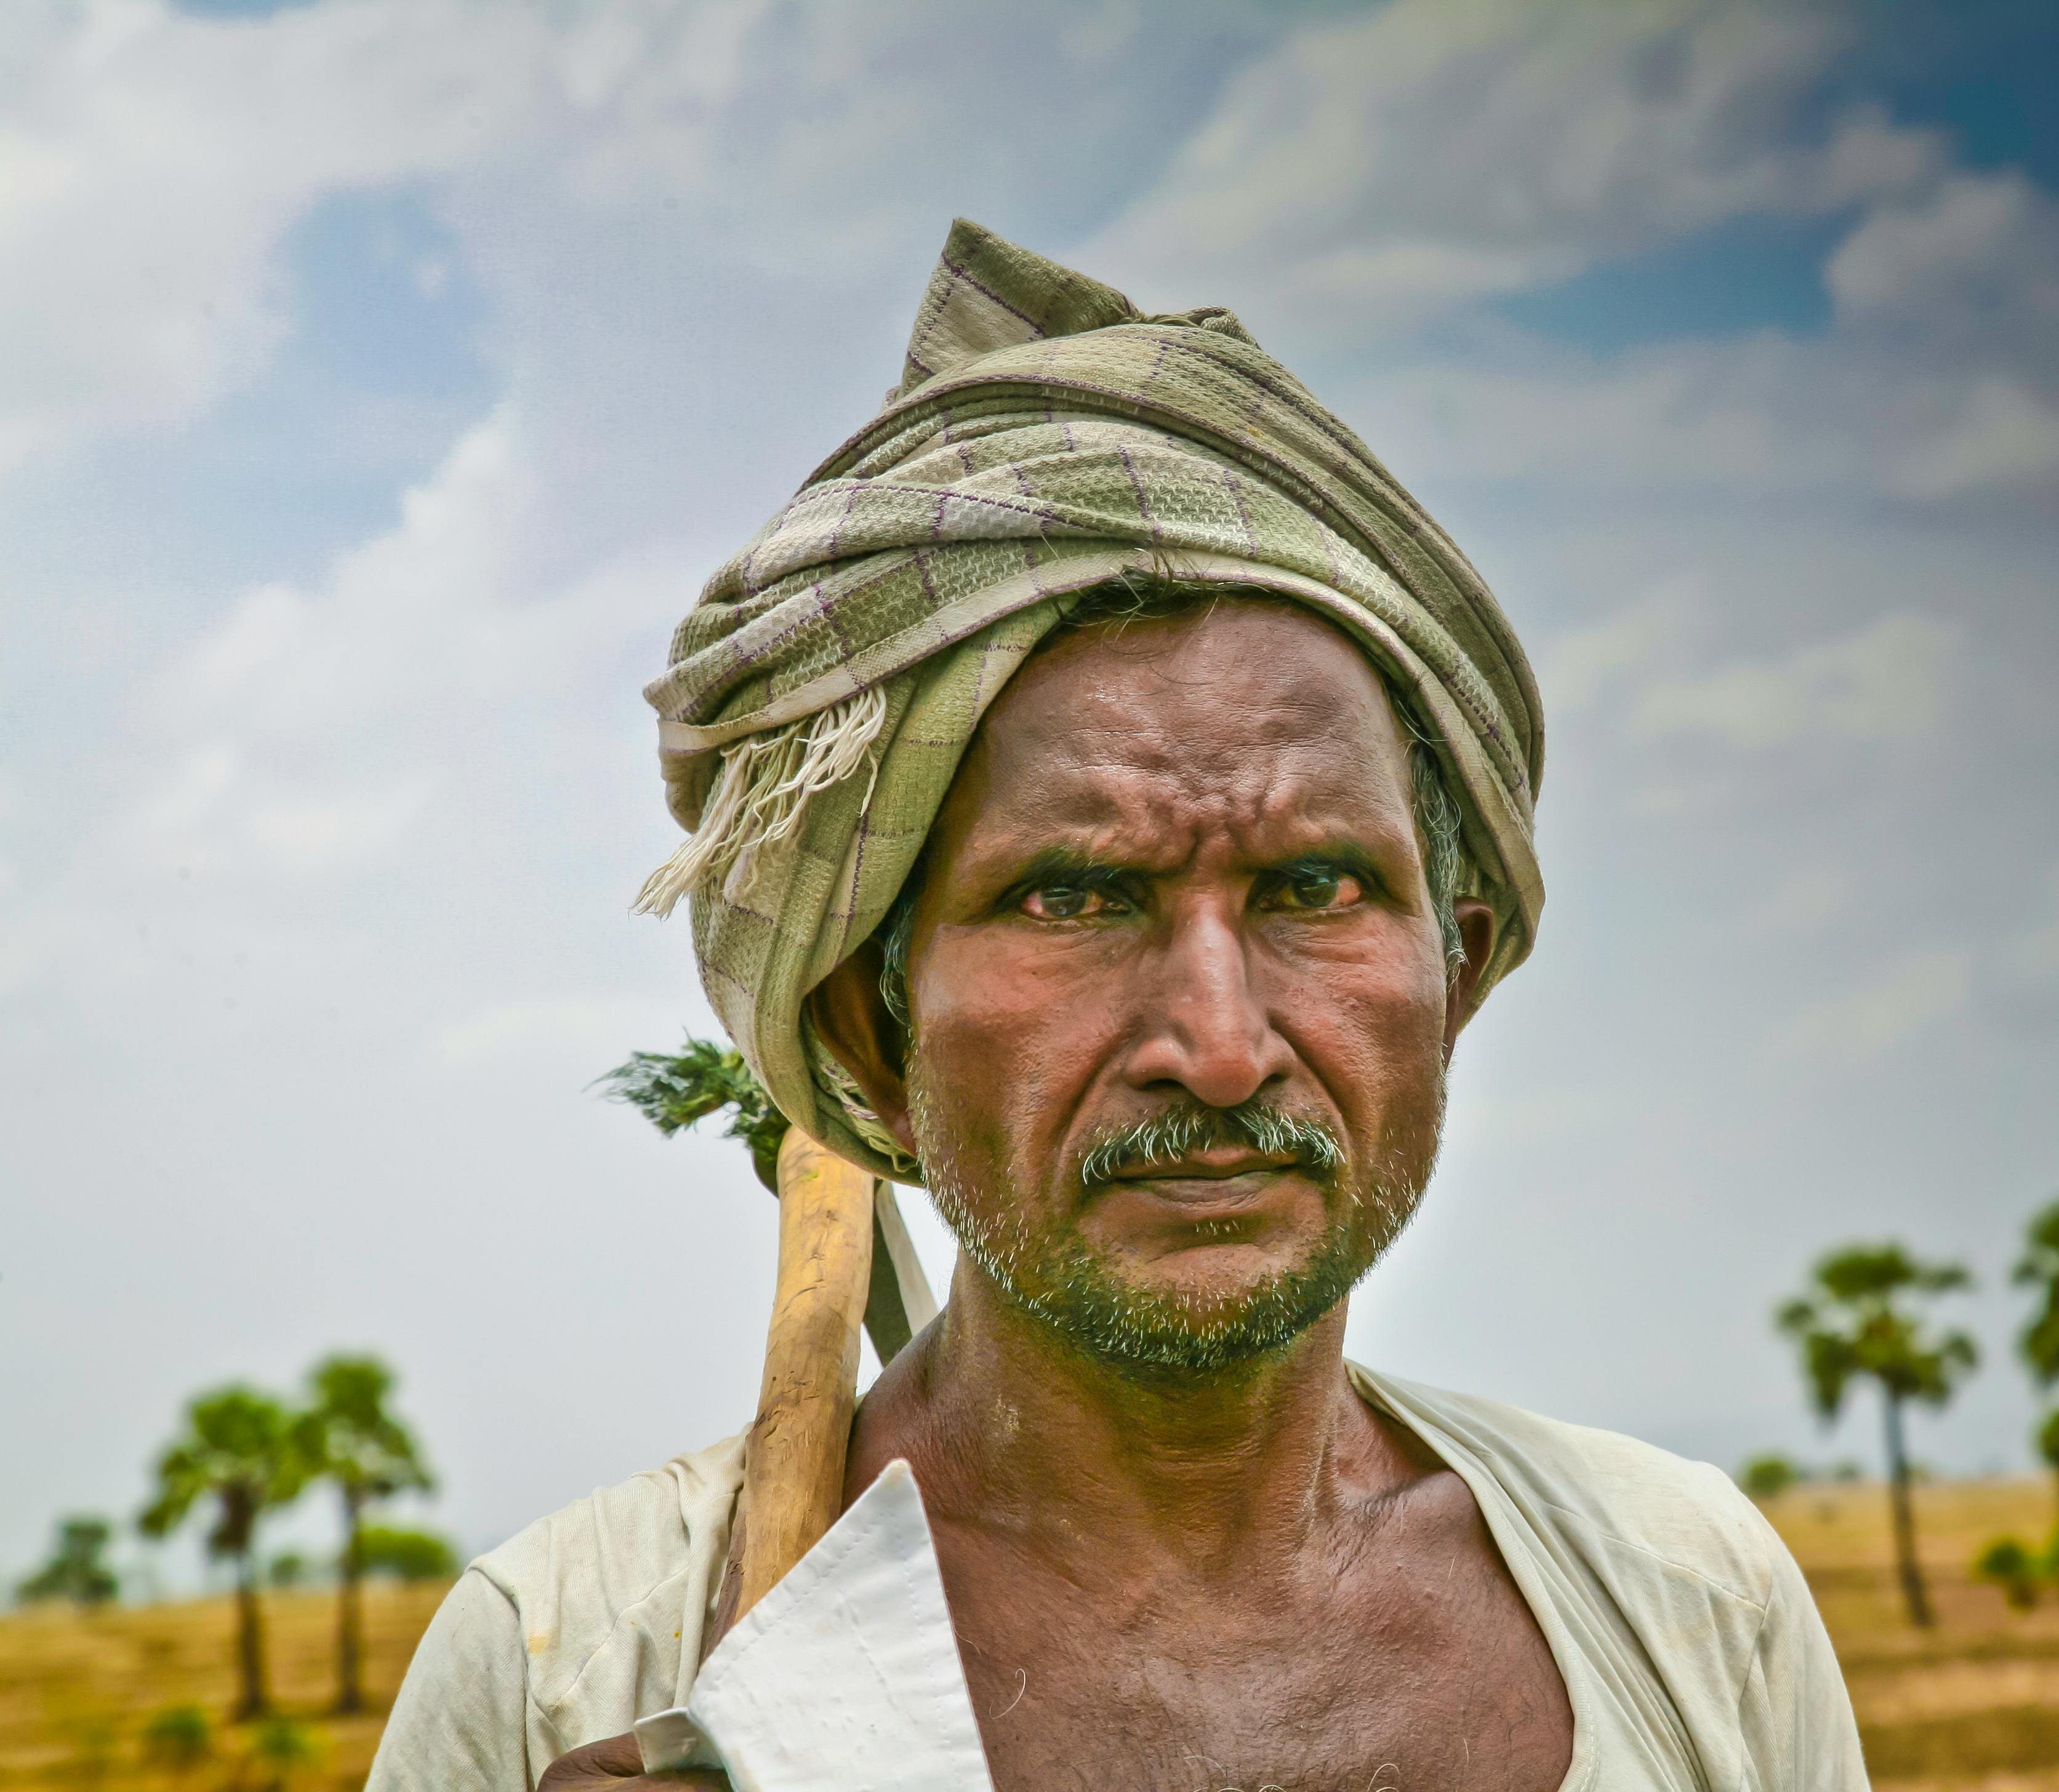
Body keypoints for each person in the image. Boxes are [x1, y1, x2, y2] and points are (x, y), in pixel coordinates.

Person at [370, 221, 1869, 1792]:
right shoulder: (567, 1662)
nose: (1220, 1047)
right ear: (874, 1029)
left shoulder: (1695, 1610)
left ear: (1461, 968)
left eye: (1313, 890)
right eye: (1076, 899)